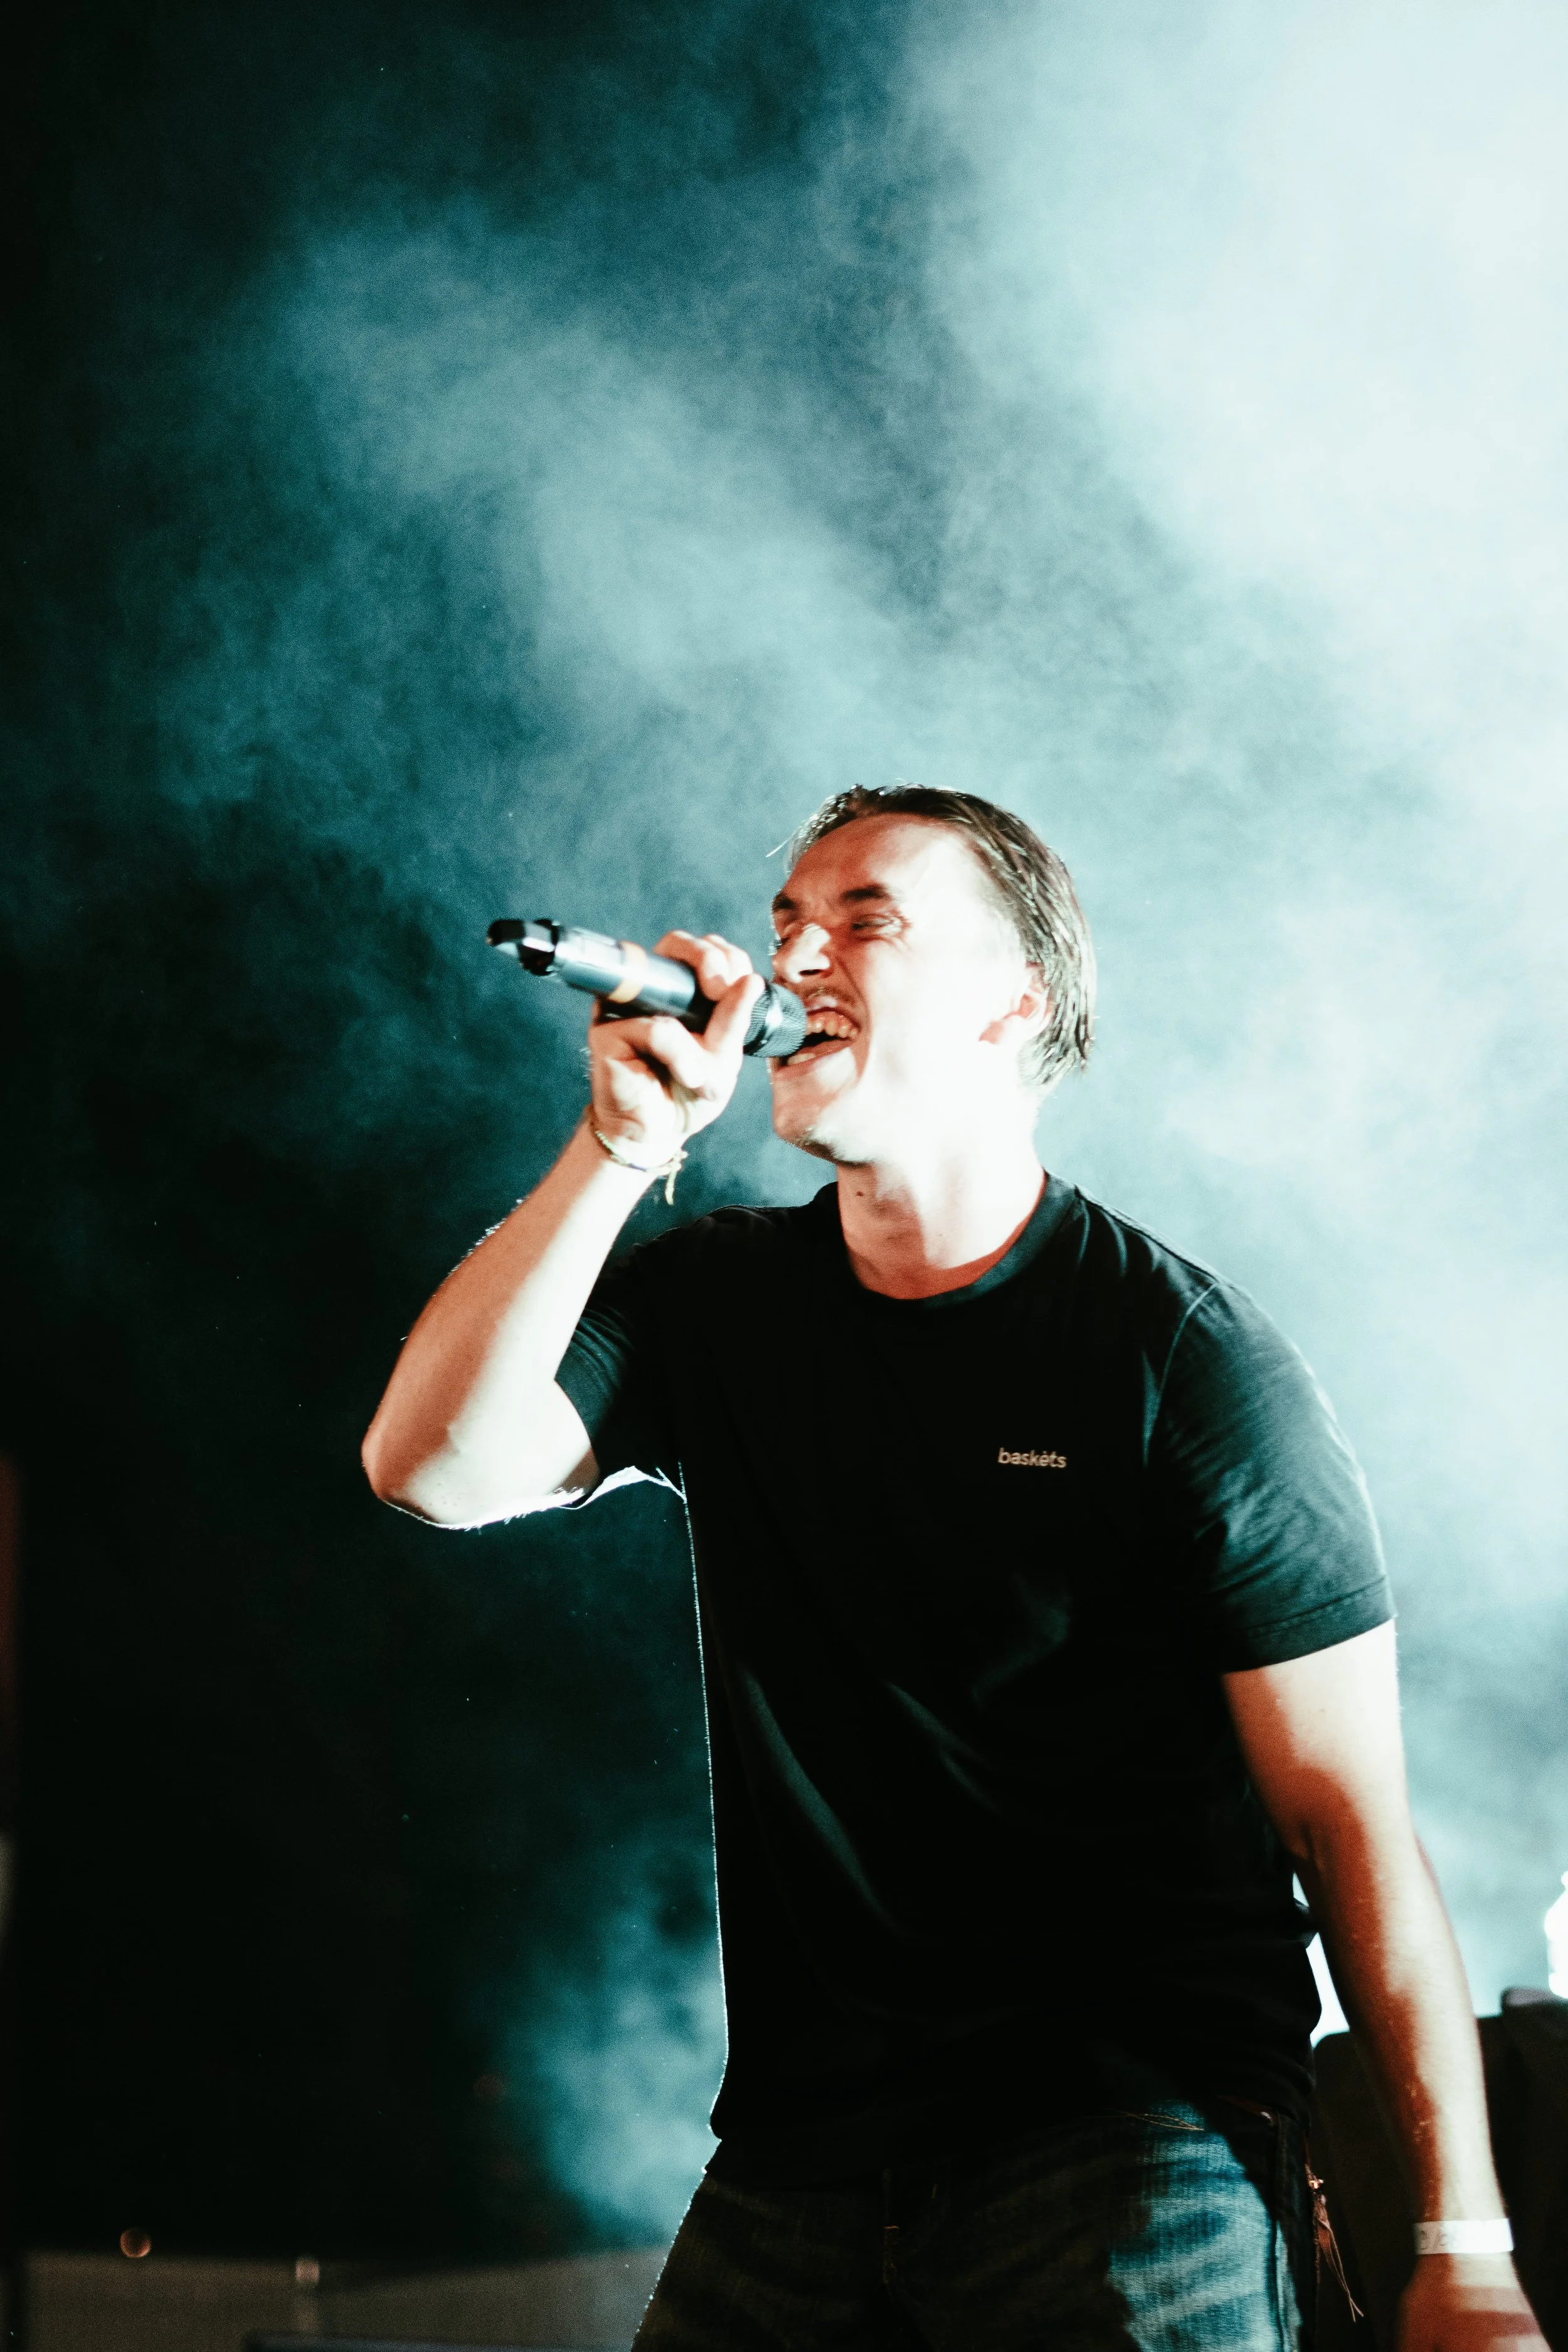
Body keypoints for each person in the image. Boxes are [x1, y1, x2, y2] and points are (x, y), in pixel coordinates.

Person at [364, 786, 1544, 2352]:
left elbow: (1347, 1826)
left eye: (866, 918)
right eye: (787, 920)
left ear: (1013, 1003)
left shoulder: (1176, 1361)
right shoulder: (719, 1302)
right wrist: (615, 1148)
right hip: (797, 2160)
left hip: (1132, 2141)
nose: (796, 950)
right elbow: (429, 1469)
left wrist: (1461, 2250)